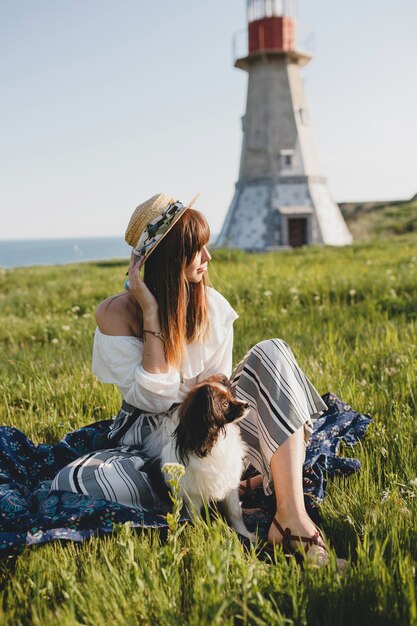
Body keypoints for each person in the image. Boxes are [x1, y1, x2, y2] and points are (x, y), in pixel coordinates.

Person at [52, 192, 344, 568]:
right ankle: (227, 486)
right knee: (76, 480)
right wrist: (152, 314)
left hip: (213, 427)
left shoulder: (213, 306)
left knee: (273, 350)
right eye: (196, 249)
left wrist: (216, 440)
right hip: (149, 440)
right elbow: (153, 401)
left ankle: (292, 520)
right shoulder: (116, 314)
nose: (208, 258)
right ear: (169, 258)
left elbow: (218, 386)